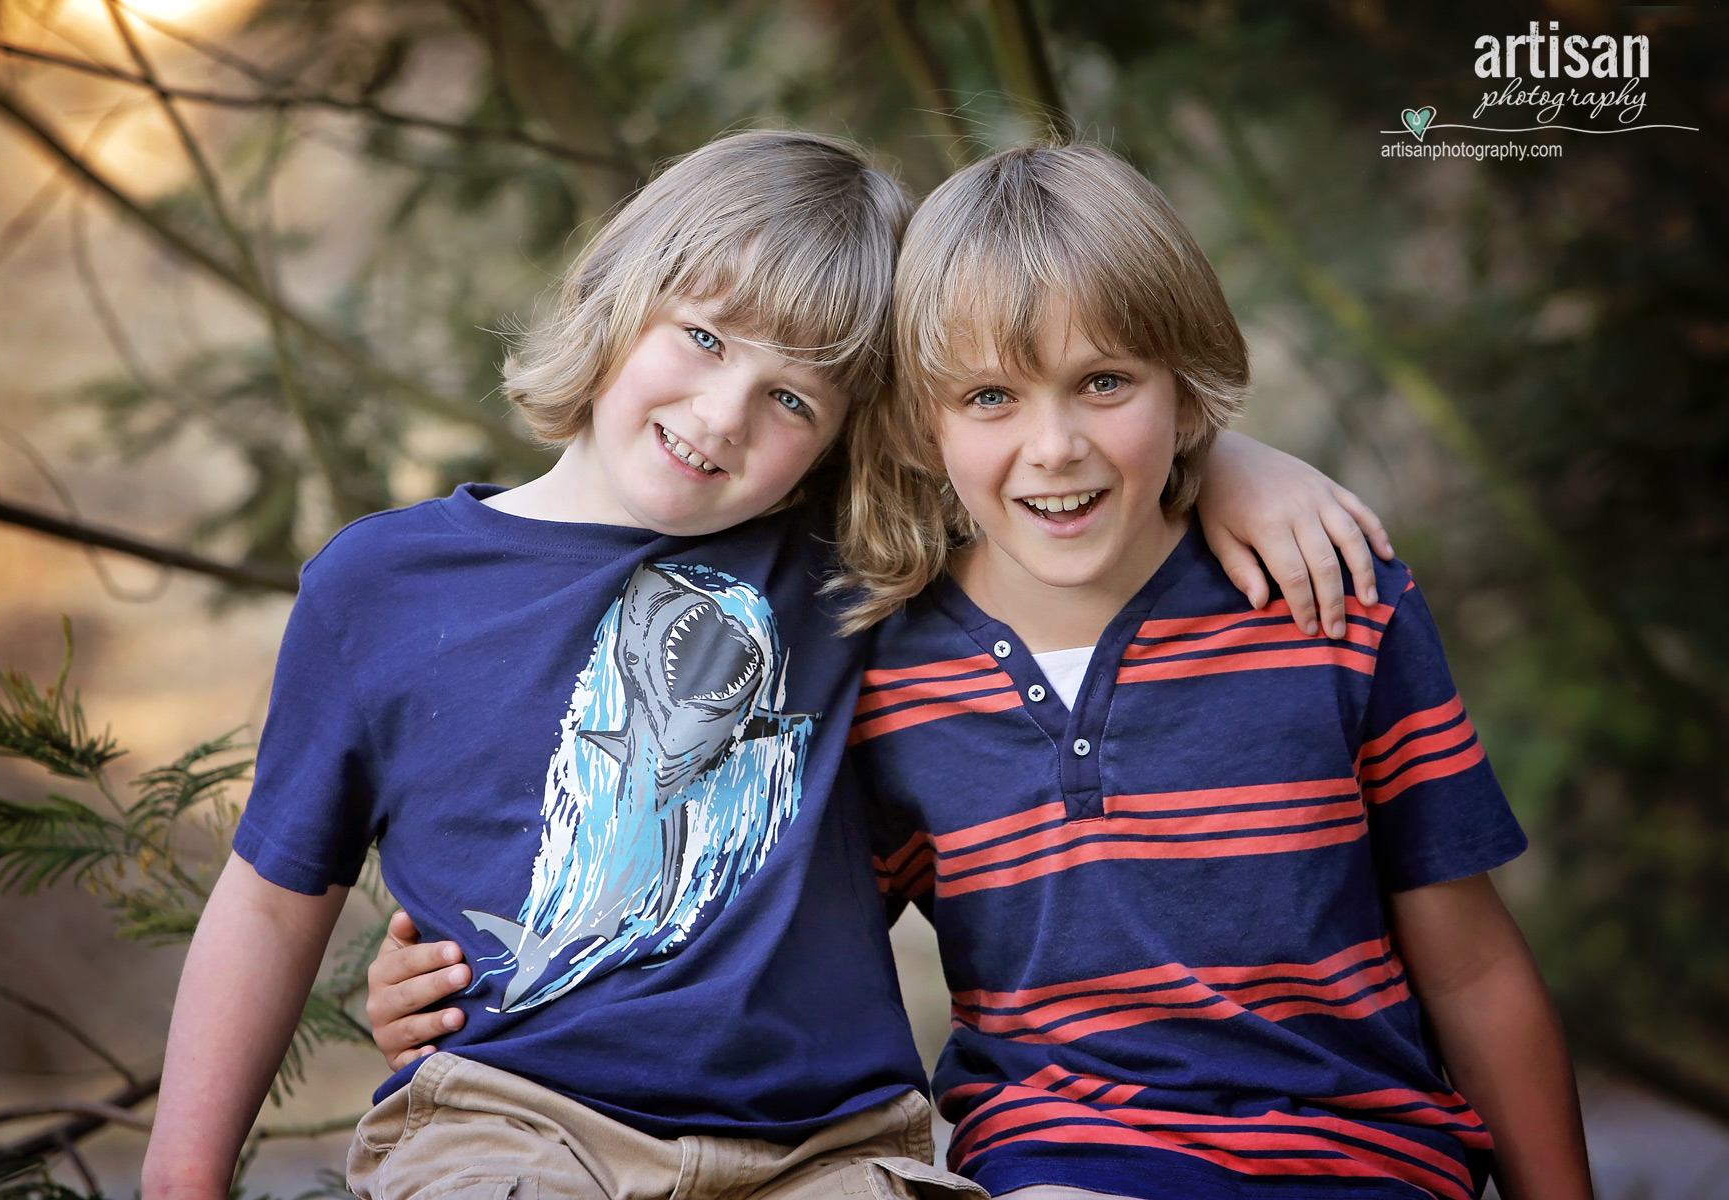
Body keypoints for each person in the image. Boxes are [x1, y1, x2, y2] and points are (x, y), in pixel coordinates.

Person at [153, 129, 1387, 1200]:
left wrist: (1222, 458)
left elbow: (1049, 458)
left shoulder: (857, 567)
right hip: (516, 1121)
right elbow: (271, 898)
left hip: (827, 1148)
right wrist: (185, 1176)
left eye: (796, 399)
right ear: (613, 295)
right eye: (701, 335)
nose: (728, 412)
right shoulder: (384, 586)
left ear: (850, 438)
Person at [834, 145, 1592, 1200]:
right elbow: (799, 967)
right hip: (1064, 1163)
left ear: (1187, 395)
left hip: (1362, 1161)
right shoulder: (880, 678)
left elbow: (1472, 967)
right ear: (922, 425)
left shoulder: (1333, 602)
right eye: (991, 396)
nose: (1054, 445)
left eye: (1104, 383)